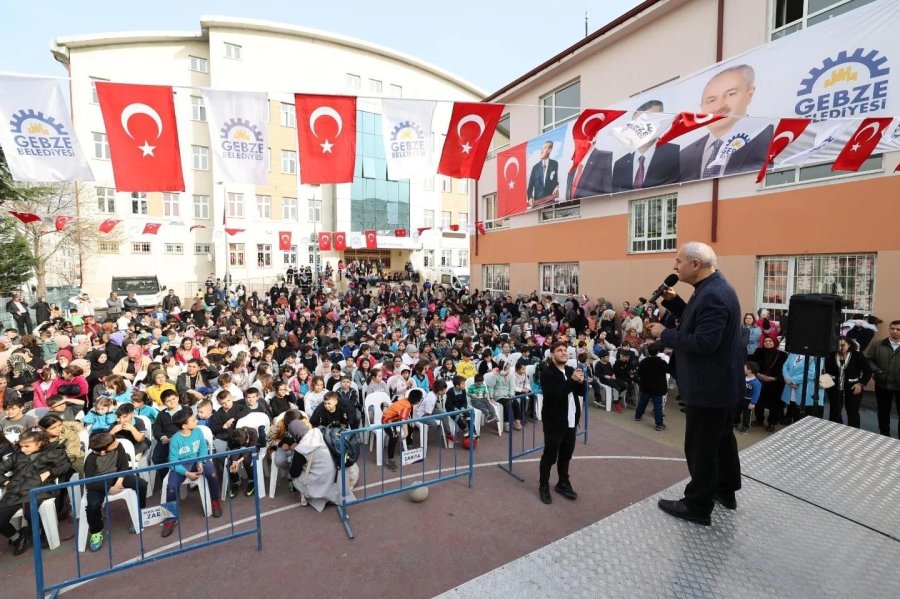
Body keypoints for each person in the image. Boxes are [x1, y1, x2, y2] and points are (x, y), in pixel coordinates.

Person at [648, 241, 743, 525]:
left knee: (701, 447)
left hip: (708, 388)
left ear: (695, 264)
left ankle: (697, 505)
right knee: (721, 441)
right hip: (721, 386)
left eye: (678, 261)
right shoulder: (713, 288)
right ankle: (725, 491)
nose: (674, 267)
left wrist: (664, 333)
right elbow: (699, 321)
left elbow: (704, 342)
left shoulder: (712, 295)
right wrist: (674, 302)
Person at [678, 64, 773, 182]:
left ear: (749, 94)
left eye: (731, 94)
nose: (719, 106)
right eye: (711, 100)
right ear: (701, 108)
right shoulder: (683, 156)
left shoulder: (772, 138)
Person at [0, 428, 70, 556]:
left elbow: (64, 466)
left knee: (31, 513)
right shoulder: (18, 456)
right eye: (21, 446)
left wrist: (49, 472)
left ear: (40, 443)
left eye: (27, 446)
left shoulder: (54, 452)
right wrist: (6, 482)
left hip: (39, 490)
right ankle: (17, 537)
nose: (22, 449)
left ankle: (42, 533)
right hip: (15, 493)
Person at [161, 410, 222, 537]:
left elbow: (203, 449)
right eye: (193, 420)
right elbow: (173, 463)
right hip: (181, 466)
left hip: (197, 461)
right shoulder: (175, 440)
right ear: (184, 426)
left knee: (212, 473)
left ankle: (215, 501)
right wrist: (187, 473)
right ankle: (170, 519)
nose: (197, 421)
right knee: (171, 487)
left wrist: (201, 462)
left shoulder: (198, 431)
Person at [537, 341, 584, 505]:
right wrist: (572, 381)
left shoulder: (570, 370)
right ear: (552, 354)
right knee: (550, 456)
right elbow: (556, 394)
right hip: (555, 423)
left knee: (566, 455)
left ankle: (563, 482)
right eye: (559, 350)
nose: (564, 352)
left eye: (565, 350)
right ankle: (543, 485)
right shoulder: (547, 373)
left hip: (571, 421)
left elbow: (579, 392)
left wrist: (581, 382)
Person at [83, 432, 148, 552]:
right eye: (112, 444)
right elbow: (89, 482)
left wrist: (119, 481)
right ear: (103, 451)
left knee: (141, 484)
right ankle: (96, 531)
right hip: (98, 483)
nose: (117, 443)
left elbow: (124, 465)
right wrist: (108, 489)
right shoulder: (91, 459)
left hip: (117, 477)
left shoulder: (118, 446)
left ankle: (140, 513)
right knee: (92, 506)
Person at [612, 100, 680, 192]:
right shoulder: (620, 164)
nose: (643, 128)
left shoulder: (675, 154)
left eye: (650, 121)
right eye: (638, 123)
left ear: (661, 123)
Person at [823, 336, 872, 428]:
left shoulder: (857, 355)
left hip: (854, 387)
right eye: (838, 345)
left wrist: (860, 384)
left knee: (853, 411)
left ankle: (853, 431)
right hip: (834, 387)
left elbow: (868, 371)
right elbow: (825, 371)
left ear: (849, 345)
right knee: (834, 410)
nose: (840, 348)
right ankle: (835, 429)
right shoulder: (830, 355)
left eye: (843, 345)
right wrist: (828, 385)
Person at [866, 320, 900, 438]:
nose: (895, 331)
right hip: (882, 383)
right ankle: (884, 434)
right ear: (889, 329)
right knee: (883, 411)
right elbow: (869, 359)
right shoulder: (878, 344)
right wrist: (877, 371)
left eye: (898, 329)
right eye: (892, 328)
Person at [380, 389, 423, 472]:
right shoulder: (407, 405)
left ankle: (409, 447)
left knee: (411, 425)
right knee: (394, 437)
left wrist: (410, 421)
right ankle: (390, 459)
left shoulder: (407, 401)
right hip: (387, 420)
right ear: (418, 402)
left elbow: (405, 415)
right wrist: (406, 433)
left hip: (396, 419)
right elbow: (403, 420)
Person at [634, 343, 668, 431]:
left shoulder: (644, 362)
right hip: (658, 388)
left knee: (642, 402)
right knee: (658, 406)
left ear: (648, 351)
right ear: (658, 352)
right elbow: (667, 371)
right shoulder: (662, 362)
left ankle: (638, 416)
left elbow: (639, 373)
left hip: (645, 386)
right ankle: (659, 424)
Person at [527, 140, 560, 206]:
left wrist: (558, 186)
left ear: (550, 150)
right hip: (538, 203)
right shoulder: (535, 168)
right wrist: (530, 198)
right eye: (541, 148)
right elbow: (530, 188)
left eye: (544, 148)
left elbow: (556, 181)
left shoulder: (554, 164)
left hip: (551, 202)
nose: (541, 151)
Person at [738, 362, 762, 434]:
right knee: (736, 412)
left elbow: (756, 393)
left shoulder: (756, 383)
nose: (742, 369)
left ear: (750, 370)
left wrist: (753, 402)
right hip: (740, 398)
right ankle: (735, 423)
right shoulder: (742, 378)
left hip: (748, 401)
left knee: (746, 415)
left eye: (744, 368)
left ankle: (745, 427)